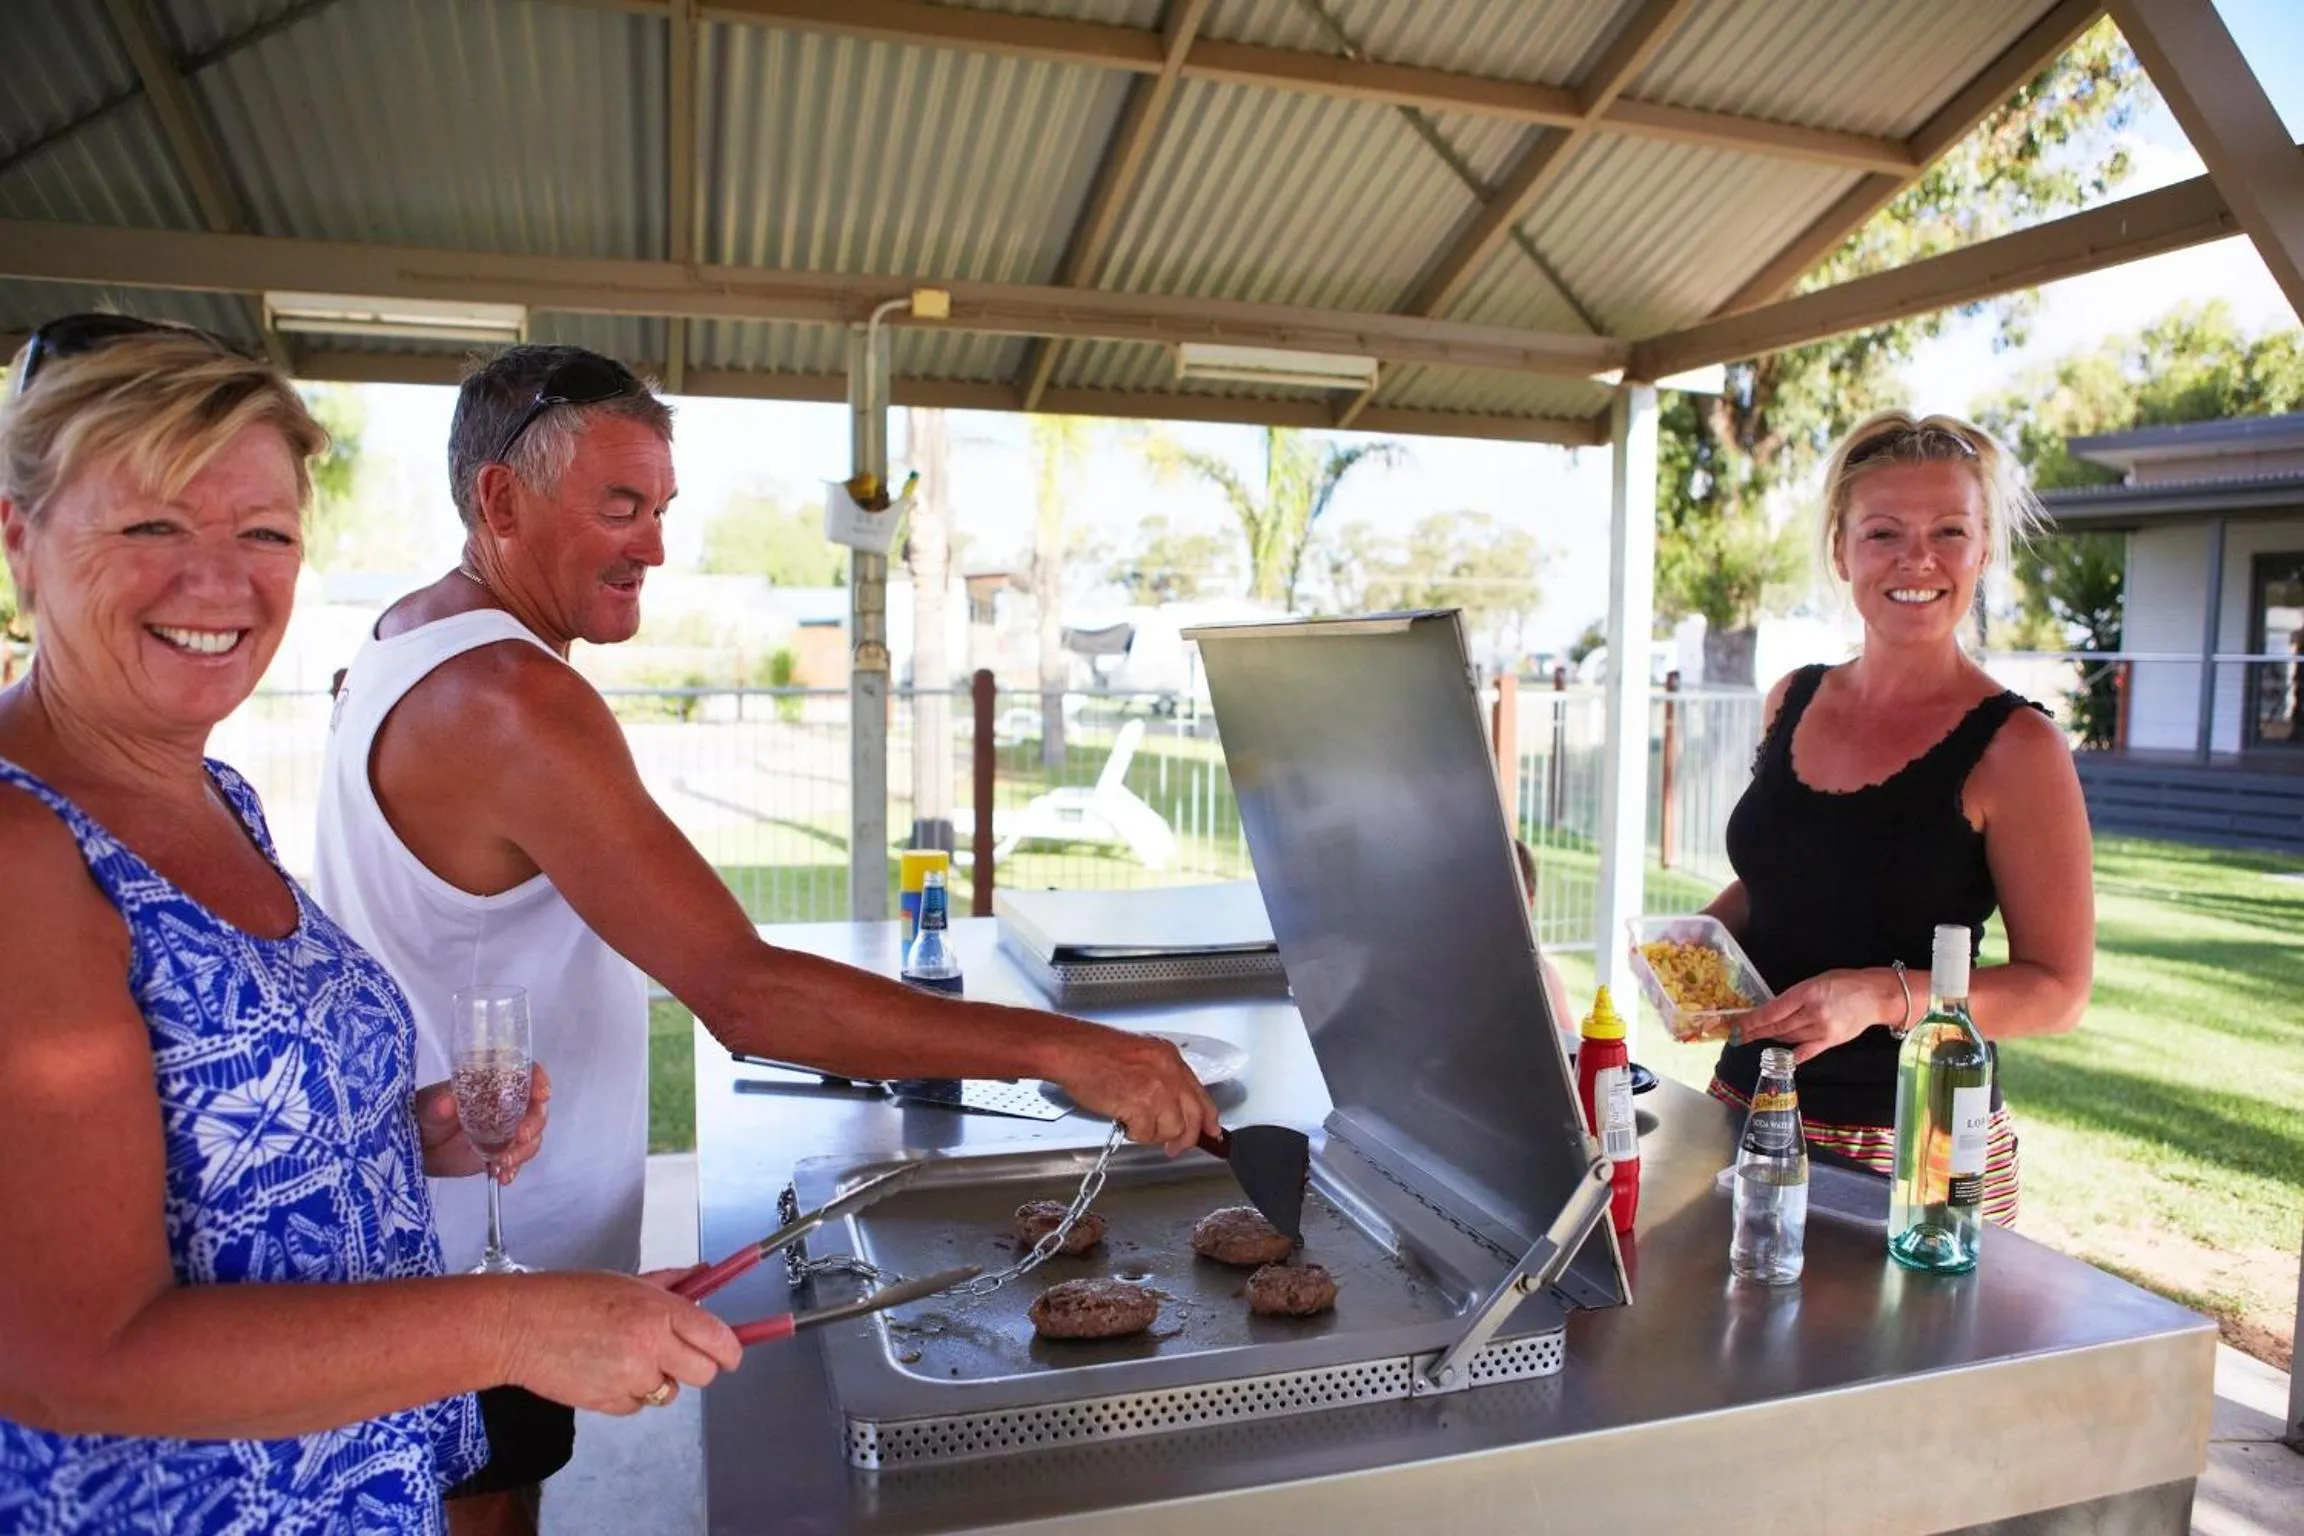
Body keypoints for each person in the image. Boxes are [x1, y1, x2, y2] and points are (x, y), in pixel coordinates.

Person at [311, 346, 1219, 1508]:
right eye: (620, 507)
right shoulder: (518, 700)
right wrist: (1073, 1049)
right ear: (499, 500)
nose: (655, 546)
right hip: (475, 1252)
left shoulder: (400, 637)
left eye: (662, 508)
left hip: (428, 1223)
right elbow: (748, 997)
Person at [0, 317, 741, 1534]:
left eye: (264, 533)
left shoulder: (207, 794)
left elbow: (189, 1149)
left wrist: (384, 1135)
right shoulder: (22, 845)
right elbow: (70, 1351)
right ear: (21, 540)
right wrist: (524, 1321)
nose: (219, 580)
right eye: (151, 526)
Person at [1699, 411, 2095, 1225]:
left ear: (1983, 552)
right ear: (1842, 552)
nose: (1917, 559)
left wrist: (1879, 998)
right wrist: (1694, 940)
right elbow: (1784, 877)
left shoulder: (2019, 748)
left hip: (1917, 1142)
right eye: (1883, 533)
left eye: (1949, 530)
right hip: (1742, 1108)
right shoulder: (1794, 695)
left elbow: (2057, 992)